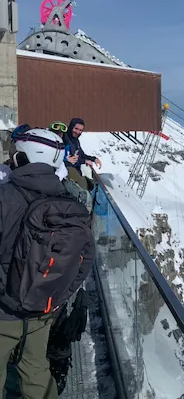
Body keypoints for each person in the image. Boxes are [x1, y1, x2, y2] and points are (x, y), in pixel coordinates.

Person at [0, 127, 95, 399]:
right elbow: (85, 260)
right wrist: (56, 297)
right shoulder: (71, 202)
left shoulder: (4, 197)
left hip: (3, 311)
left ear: (23, 157)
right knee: (35, 368)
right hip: (43, 308)